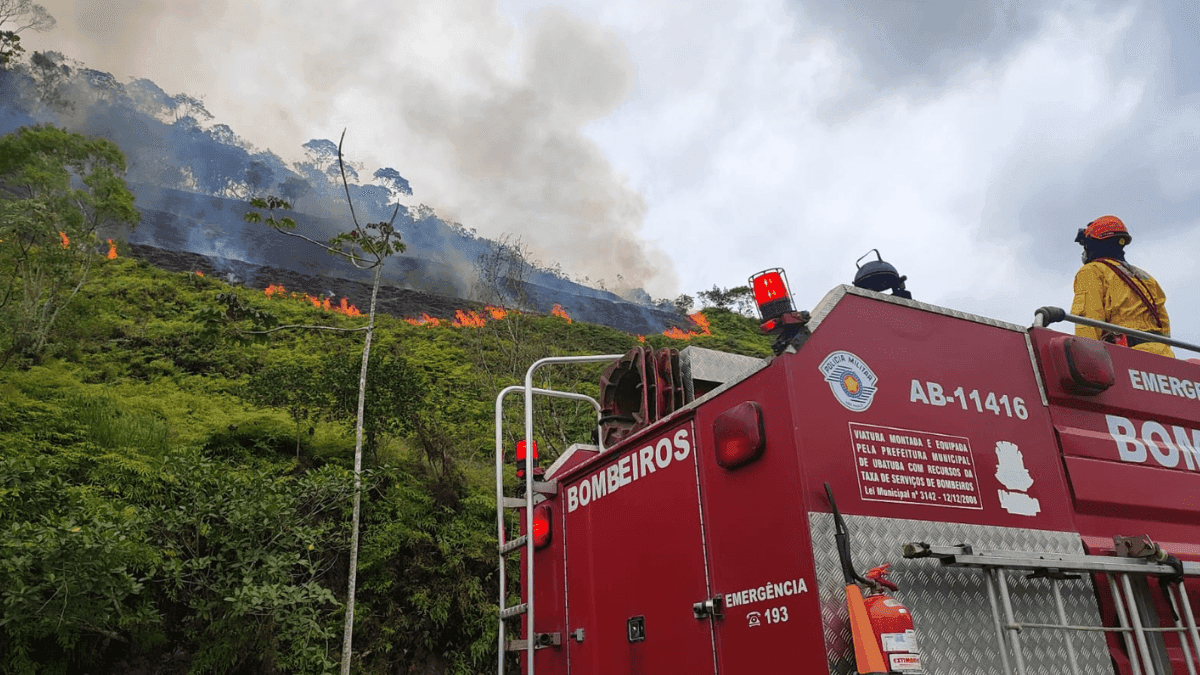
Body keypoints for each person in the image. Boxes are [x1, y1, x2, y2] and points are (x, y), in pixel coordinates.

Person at [1071, 215, 1174, 357]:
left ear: (1094, 243)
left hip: (1127, 355)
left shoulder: (1092, 271)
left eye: (1086, 245)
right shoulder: (1145, 277)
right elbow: (1163, 324)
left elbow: (1088, 319)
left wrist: (1087, 356)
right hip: (1163, 354)